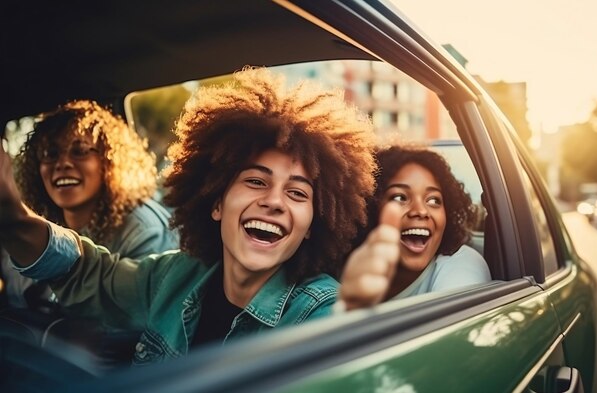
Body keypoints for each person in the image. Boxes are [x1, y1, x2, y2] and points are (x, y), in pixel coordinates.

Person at [0, 67, 377, 365]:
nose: (275, 201)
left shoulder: (321, 314)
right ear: (215, 202)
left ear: (313, 225)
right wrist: (14, 218)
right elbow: (90, 274)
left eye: (297, 192)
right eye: (256, 181)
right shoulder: (176, 276)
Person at [0, 100, 179, 309]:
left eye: (80, 151)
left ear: (108, 161)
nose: (63, 163)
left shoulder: (144, 229)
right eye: (50, 154)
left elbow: (138, 312)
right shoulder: (43, 217)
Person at [338, 144, 491, 311]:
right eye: (400, 197)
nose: (420, 211)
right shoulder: (346, 274)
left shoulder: (462, 265)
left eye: (433, 200)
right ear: (369, 207)